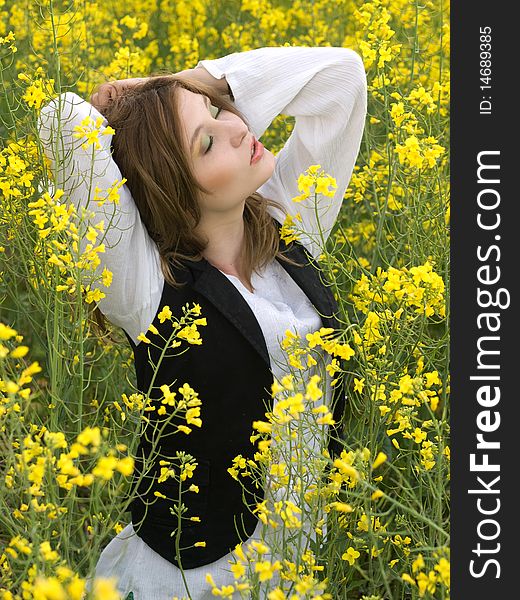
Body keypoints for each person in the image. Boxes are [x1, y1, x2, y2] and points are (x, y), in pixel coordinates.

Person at [39, 45, 367, 599]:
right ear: (171, 185)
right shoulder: (144, 287)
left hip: (294, 558)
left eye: (220, 112)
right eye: (207, 142)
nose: (238, 130)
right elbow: (63, 123)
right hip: (192, 579)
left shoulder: (288, 224)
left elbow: (342, 78)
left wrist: (182, 85)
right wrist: (142, 108)